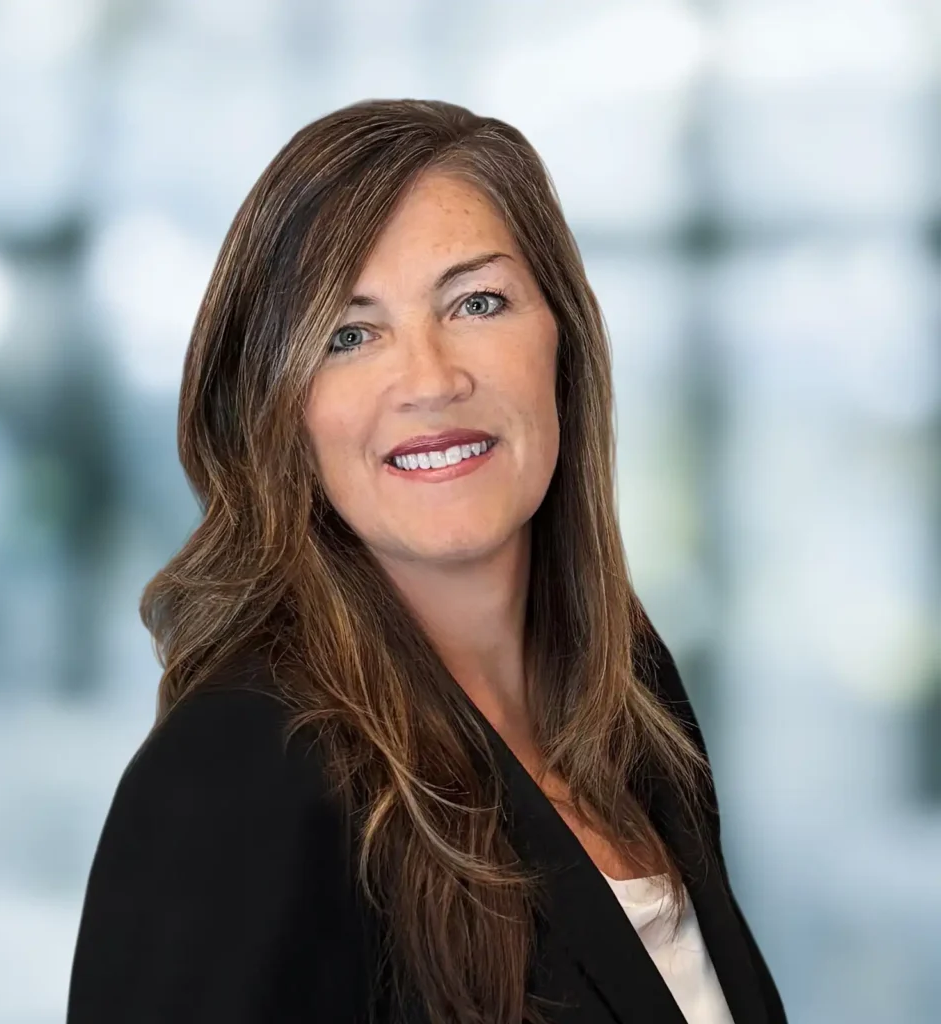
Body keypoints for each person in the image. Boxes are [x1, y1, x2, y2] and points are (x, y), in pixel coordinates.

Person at [66, 98, 787, 1024]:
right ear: (281, 414)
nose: (434, 379)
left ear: (561, 341)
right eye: (350, 335)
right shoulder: (239, 771)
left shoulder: (632, 699)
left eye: (477, 303)